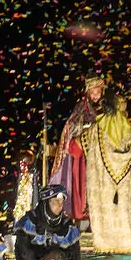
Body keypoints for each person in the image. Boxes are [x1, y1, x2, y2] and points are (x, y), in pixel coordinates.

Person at [80, 87, 131, 253]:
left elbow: (80, 145)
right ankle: (127, 242)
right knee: (124, 212)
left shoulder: (96, 129)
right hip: (125, 185)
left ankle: (104, 243)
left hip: (104, 184)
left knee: (106, 210)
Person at [51, 74, 105, 223]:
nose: (95, 96)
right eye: (93, 93)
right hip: (84, 154)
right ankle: (81, 213)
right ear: (88, 92)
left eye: (98, 92)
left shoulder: (105, 108)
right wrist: (86, 130)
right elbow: (72, 128)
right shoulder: (81, 107)